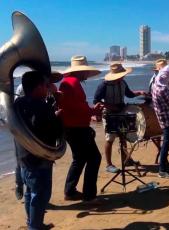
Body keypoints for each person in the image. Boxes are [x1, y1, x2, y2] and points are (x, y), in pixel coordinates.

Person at [15, 71, 63, 229]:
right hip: (39, 160)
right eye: (45, 85)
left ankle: (32, 222)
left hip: (23, 158)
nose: (47, 88)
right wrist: (57, 117)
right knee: (41, 195)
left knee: (30, 192)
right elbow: (53, 131)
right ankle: (34, 227)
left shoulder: (17, 104)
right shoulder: (42, 106)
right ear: (38, 87)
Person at [59, 55, 103, 202]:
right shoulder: (73, 83)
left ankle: (70, 191)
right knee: (94, 158)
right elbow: (78, 107)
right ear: (81, 71)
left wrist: (90, 112)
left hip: (72, 127)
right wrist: (93, 111)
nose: (86, 75)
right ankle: (89, 196)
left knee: (80, 159)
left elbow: (73, 107)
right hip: (77, 128)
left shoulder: (67, 82)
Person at [93, 62, 146, 173]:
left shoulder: (123, 82)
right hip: (109, 114)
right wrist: (109, 106)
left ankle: (126, 160)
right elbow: (96, 101)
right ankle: (109, 165)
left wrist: (139, 93)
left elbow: (129, 94)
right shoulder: (103, 85)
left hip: (121, 112)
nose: (123, 76)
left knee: (123, 136)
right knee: (110, 139)